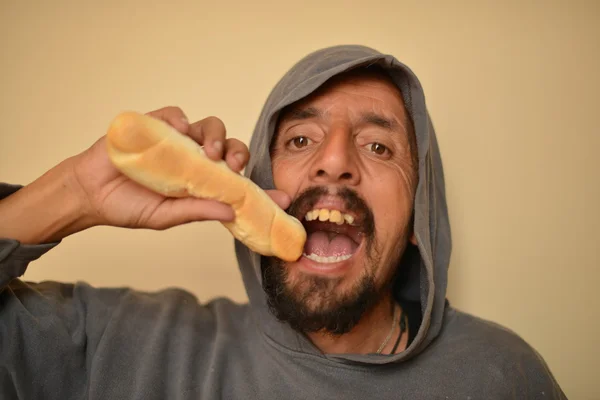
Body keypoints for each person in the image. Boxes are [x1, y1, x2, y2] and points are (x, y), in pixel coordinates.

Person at [0, 45, 566, 399]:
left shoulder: (501, 375)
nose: (336, 160)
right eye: (300, 139)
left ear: (419, 215)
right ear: (263, 183)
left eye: (378, 146)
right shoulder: (124, 343)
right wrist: (76, 192)